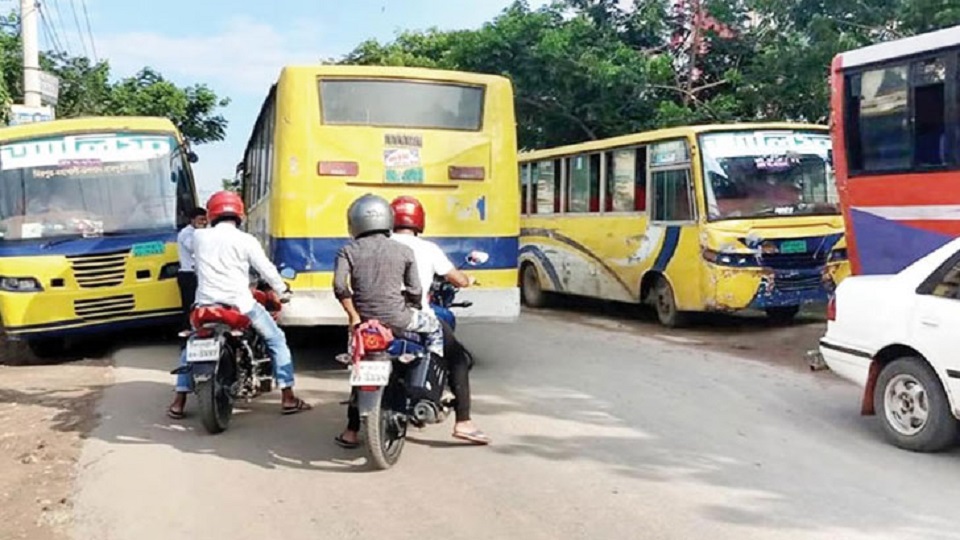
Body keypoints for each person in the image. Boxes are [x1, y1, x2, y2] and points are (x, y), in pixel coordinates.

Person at [166, 191, 311, 419]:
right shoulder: (246, 240)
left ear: (212, 213)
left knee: (192, 342)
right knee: (276, 339)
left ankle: (178, 401)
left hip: (205, 306)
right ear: (239, 214)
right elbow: (267, 270)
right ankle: (288, 397)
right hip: (240, 305)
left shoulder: (199, 237)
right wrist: (282, 290)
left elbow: (191, 245)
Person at [332, 193, 444, 449]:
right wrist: (411, 306)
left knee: (359, 364)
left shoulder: (347, 250)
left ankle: (351, 431)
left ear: (354, 222)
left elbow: (340, 286)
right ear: (387, 220)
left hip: (363, 324)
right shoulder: (403, 250)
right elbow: (415, 289)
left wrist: (354, 316)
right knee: (435, 330)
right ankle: (426, 393)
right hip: (400, 319)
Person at [388, 195, 489, 444]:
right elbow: (457, 278)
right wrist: (467, 280)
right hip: (417, 318)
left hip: (379, 317)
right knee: (457, 358)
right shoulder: (428, 248)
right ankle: (464, 422)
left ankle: (352, 428)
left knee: (363, 359)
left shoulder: (378, 244)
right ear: (419, 221)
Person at [176, 207, 208, 328]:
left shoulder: (202, 233)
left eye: (205, 220)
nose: (203, 222)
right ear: (192, 220)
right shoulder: (186, 233)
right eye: (200, 219)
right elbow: (193, 247)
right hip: (188, 274)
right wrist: (200, 233)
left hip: (199, 273)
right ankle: (188, 332)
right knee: (190, 306)